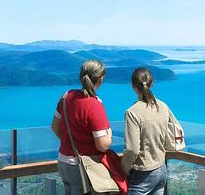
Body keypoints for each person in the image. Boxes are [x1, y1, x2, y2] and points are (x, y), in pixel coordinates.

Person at [51, 60, 112, 195]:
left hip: (63, 161)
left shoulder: (66, 97)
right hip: (83, 166)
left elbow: (55, 127)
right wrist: (109, 133)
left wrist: (70, 143)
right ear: (100, 79)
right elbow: (102, 145)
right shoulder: (94, 104)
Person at [121, 67, 182, 195]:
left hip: (142, 173)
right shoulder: (162, 106)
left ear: (133, 86)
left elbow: (132, 150)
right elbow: (176, 128)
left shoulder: (132, 112)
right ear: (152, 84)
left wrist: (124, 168)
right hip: (161, 168)